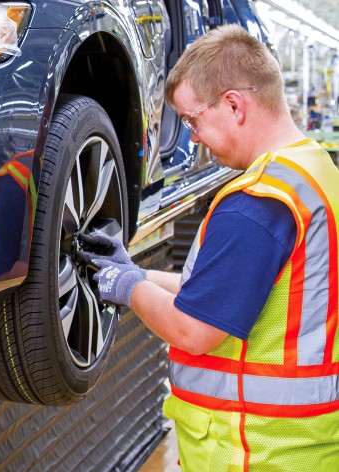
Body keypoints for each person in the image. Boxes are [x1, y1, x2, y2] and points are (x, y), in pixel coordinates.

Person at [79, 24, 339, 470]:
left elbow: (194, 330)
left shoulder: (258, 201)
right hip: (306, 444)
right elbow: (222, 292)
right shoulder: (315, 172)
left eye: (192, 120)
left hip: (254, 449)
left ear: (234, 104)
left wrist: (129, 289)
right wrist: (134, 273)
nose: (192, 138)